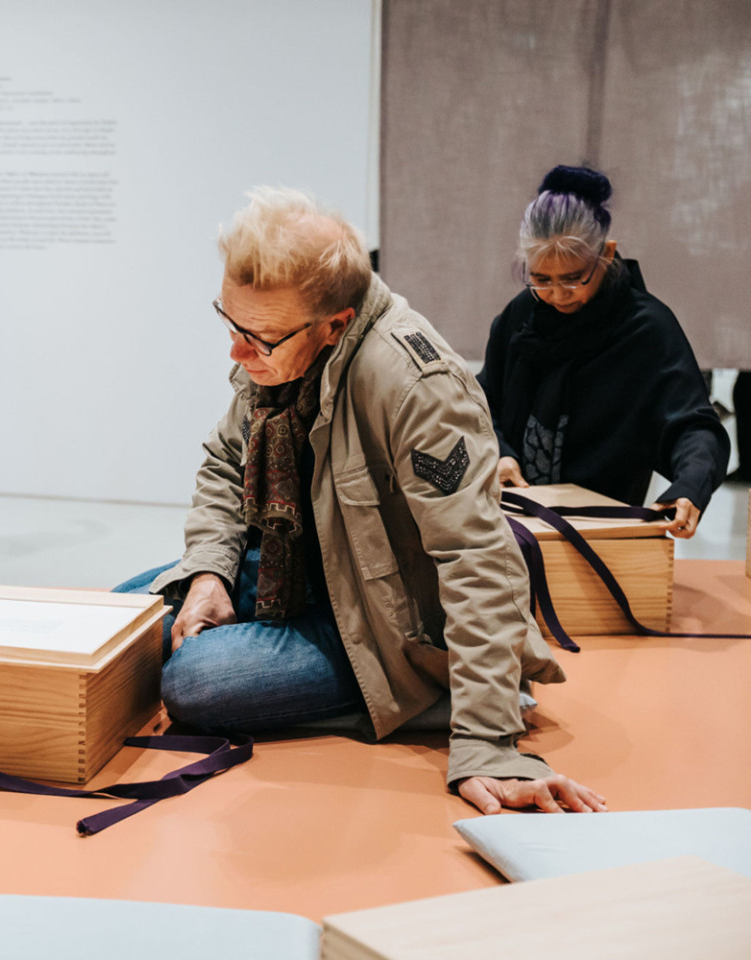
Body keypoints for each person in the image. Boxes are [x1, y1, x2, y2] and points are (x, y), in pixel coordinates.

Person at [116, 187, 606, 816]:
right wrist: (211, 570)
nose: (236, 354)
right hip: (308, 573)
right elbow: (224, 462)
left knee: (197, 682)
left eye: (257, 339)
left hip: (388, 625)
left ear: (335, 325)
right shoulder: (276, 343)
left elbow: (478, 560)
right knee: (120, 618)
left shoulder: (417, 387)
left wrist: (488, 744)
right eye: (229, 323)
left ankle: (425, 694)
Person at [477, 165, 729, 538]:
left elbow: (693, 426)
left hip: (602, 531)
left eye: (574, 279)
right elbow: (480, 403)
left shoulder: (646, 330)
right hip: (514, 523)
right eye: (541, 279)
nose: (558, 295)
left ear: (606, 254)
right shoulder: (521, 316)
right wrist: (498, 450)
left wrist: (690, 487)